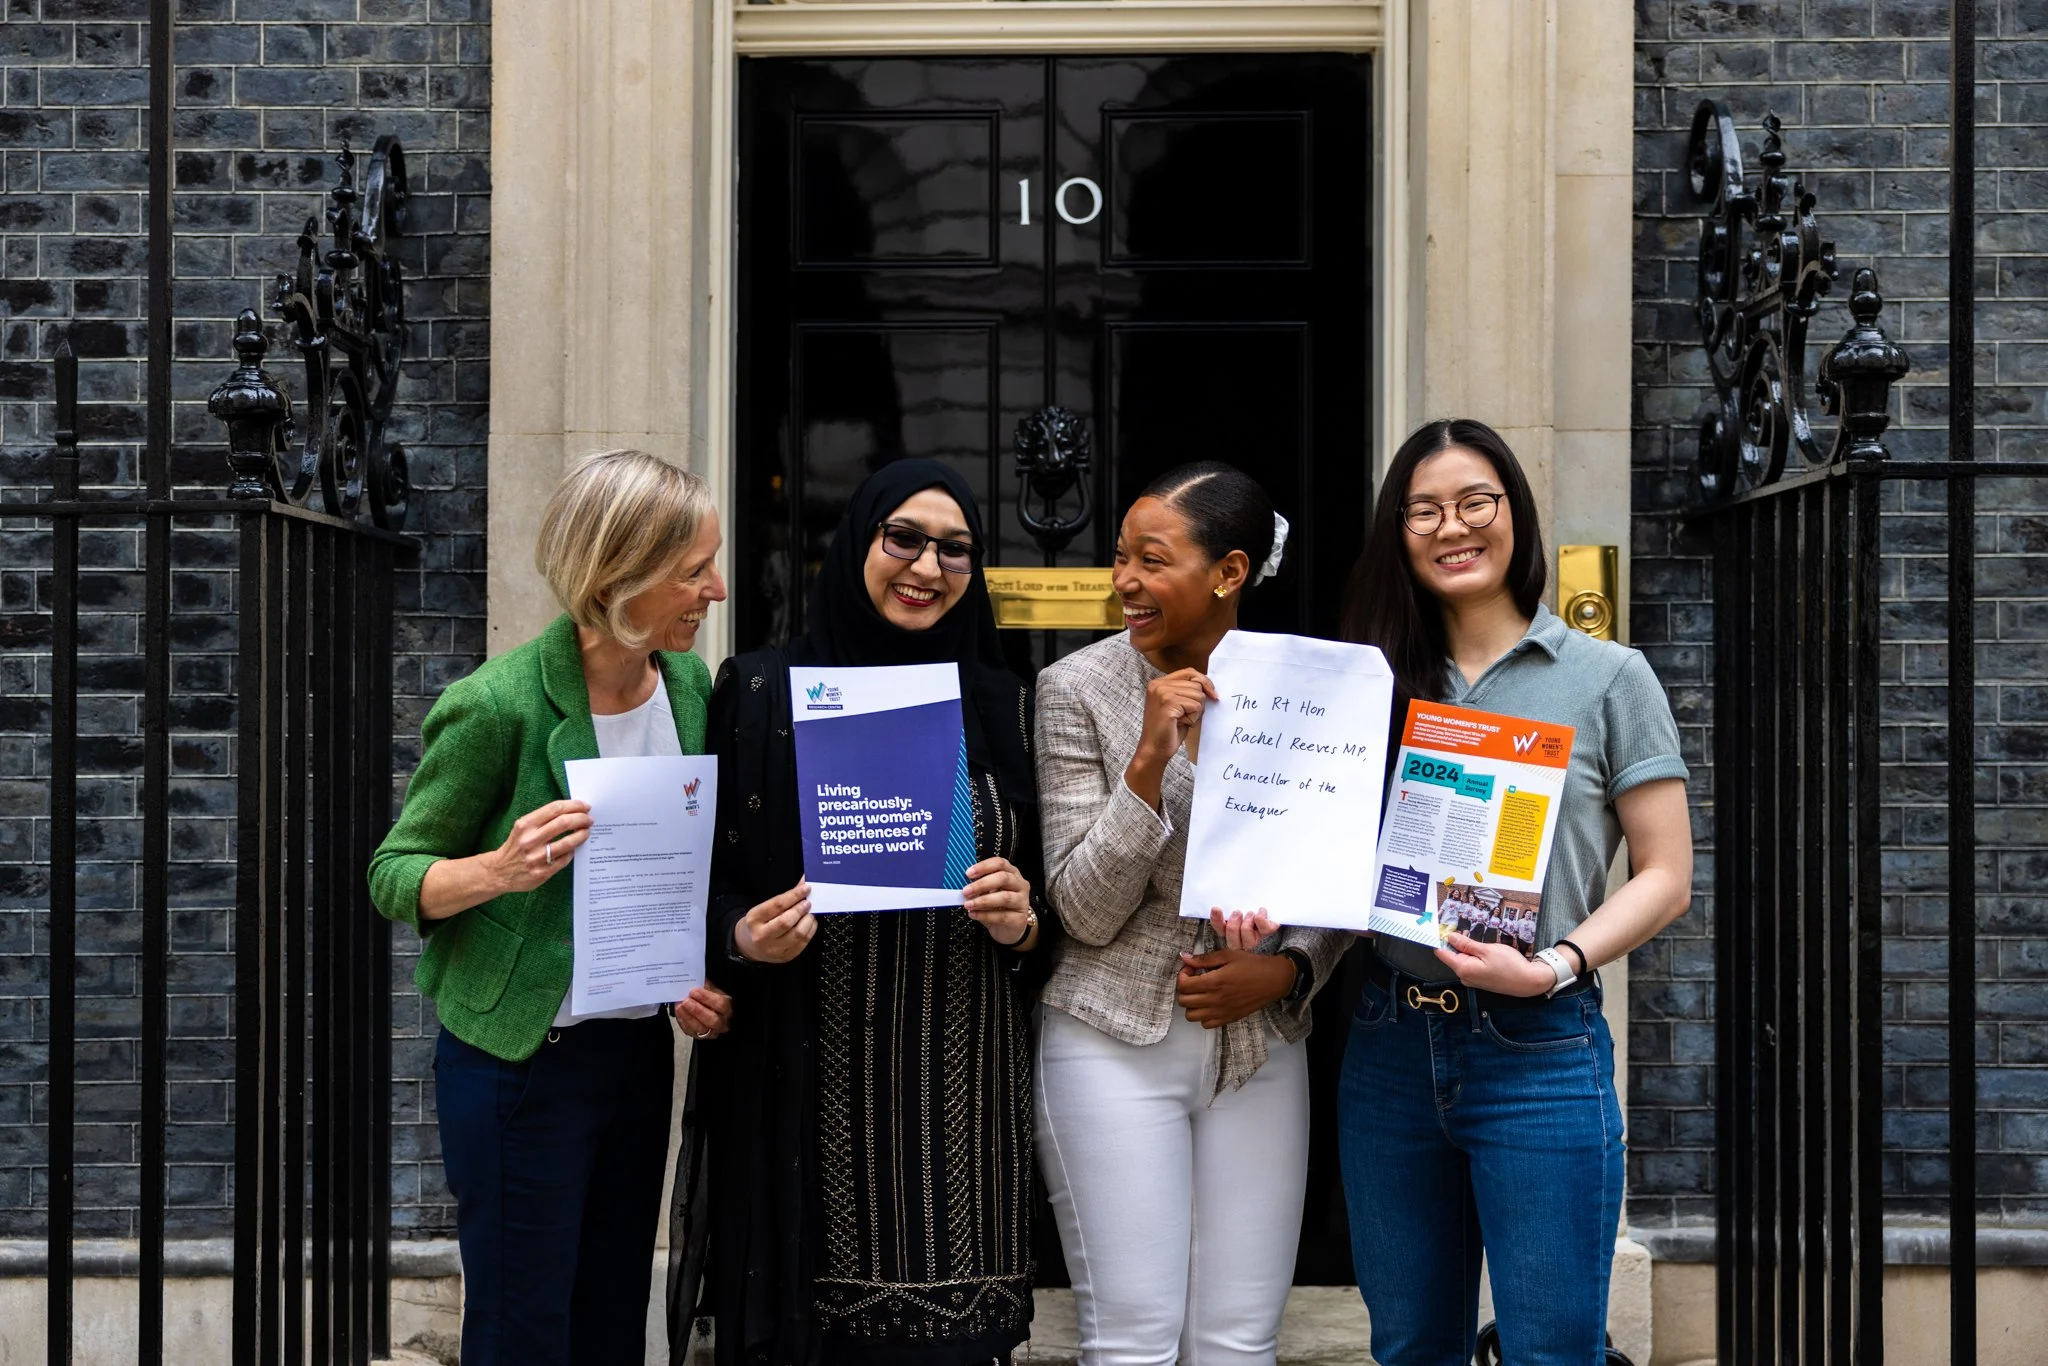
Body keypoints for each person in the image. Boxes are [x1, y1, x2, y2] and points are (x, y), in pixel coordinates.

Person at [674, 459, 1049, 1366]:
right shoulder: (760, 692)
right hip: (808, 1094)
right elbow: (701, 886)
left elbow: (1056, 910)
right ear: (857, 545)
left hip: (962, 1098)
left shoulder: (1006, 703)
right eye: (904, 539)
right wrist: (740, 938)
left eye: (955, 549)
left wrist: (1023, 920)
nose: (927, 567)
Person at [1336, 418, 1693, 1366]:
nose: (1452, 527)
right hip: (1390, 1041)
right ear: (1398, 533)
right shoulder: (1365, 681)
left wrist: (1557, 964)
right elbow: (1318, 848)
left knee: (1552, 1351)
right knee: (1411, 1347)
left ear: (1515, 514)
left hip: (1539, 1047)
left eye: (1474, 502)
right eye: (1423, 511)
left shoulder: (1607, 677)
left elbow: (1666, 875)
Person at [368, 449, 736, 1365]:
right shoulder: (496, 707)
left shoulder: (688, 687)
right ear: (619, 578)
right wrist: (498, 869)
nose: (717, 590)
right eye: (694, 570)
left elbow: (665, 868)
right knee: (521, 1330)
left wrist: (688, 975)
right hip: (521, 1064)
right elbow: (394, 873)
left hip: (636, 1055)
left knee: (612, 1320)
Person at [1032, 462, 1350, 1366]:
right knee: (1133, 1341)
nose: (1124, 581)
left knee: (1239, 1341)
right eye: (1120, 557)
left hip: (1260, 1046)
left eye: (1152, 559)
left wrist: (1287, 967)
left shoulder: (1310, 688)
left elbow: (1336, 869)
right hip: (1110, 1039)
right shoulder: (1075, 688)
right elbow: (1083, 911)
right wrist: (1148, 762)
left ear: (1229, 572)